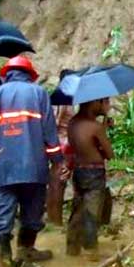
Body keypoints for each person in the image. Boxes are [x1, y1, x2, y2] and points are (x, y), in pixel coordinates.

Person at [0, 56, 69, 267]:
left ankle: (2, 263)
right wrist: (58, 161)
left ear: (7, 73)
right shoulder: (39, 93)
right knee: (32, 212)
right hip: (33, 166)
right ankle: (26, 250)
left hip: (1, 167)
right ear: (30, 74)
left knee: (2, 215)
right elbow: (49, 131)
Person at [66, 97, 114, 260]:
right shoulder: (95, 127)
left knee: (78, 208)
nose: (107, 106)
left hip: (79, 170)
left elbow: (82, 145)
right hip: (94, 172)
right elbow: (109, 154)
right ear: (95, 103)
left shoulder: (73, 122)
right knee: (92, 212)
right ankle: (90, 251)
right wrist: (103, 131)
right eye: (105, 102)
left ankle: (72, 247)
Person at [45, 69, 76, 226]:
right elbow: (54, 124)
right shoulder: (61, 98)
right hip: (62, 144)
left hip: (67, 144)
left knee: (59, 182)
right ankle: (54, 220)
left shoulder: (65, 97)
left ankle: (55, 220)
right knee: (58, 183)